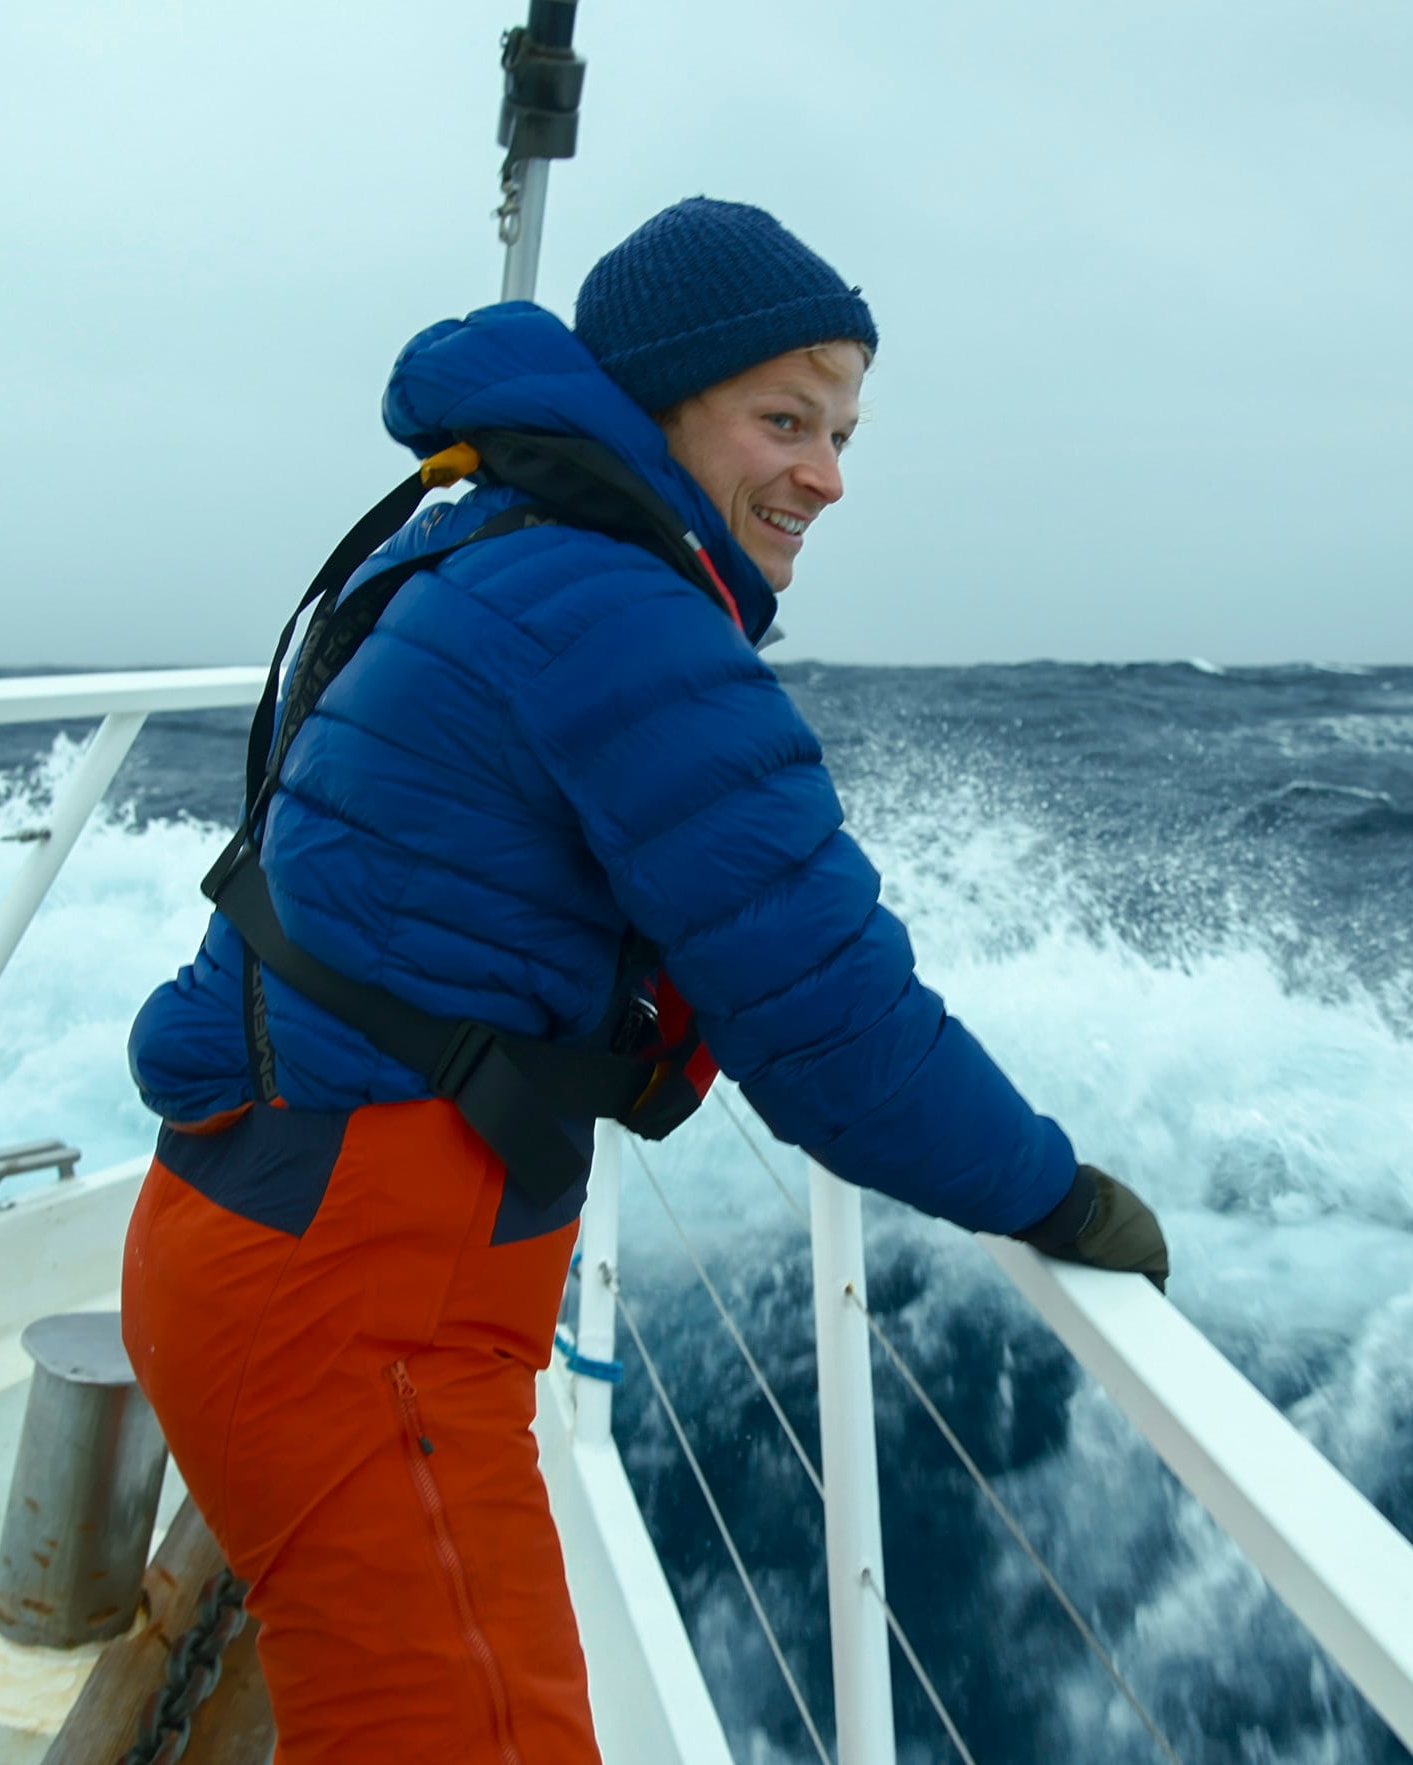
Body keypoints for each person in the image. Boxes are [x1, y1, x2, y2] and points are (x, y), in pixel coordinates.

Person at [118, 197, 1171, 1764]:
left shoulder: (490, 535)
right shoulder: (618, 612)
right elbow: (831, 1020)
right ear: (664, 401)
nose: (826, 473)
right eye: (784, 419)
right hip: (355, 1309)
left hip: (267, 1241)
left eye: (842, 431)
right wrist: (1059, 1197)